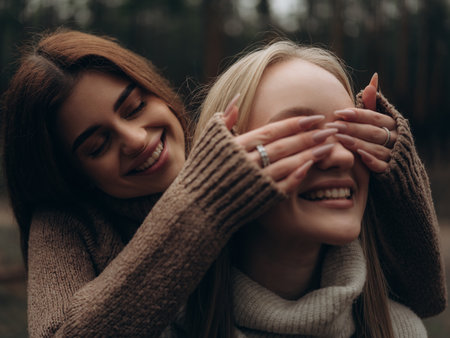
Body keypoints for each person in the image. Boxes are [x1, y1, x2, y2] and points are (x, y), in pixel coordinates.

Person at [1, 30, 335, 337]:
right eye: (98, 145)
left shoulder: (244, 156)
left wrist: (384, 173)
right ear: (74, 175)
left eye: (135, 107)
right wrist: (197, 206)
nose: (136, 139)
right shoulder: (66, 226)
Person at [164, 41, 447, 337]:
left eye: (350, 133)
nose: (342, 157)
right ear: (226, 164)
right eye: (302, 135)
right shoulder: (160, 328)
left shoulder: (400, 330)